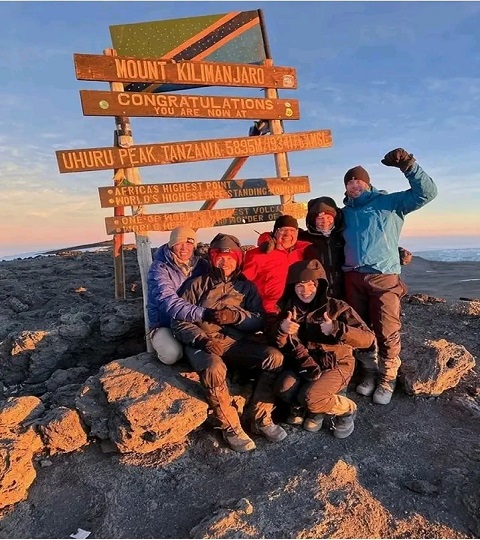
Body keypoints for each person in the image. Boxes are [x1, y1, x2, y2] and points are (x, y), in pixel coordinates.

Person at [171, 233, 287, 453]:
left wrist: (235, 317)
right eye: (220, 257)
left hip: (235, 342)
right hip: (203, 343)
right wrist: (202, 339)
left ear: (238, 259)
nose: (225, 262)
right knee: (214, 368)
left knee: (274, 357)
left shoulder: (247, 288)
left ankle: (260, 417)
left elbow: (259, 319)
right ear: (213, 258)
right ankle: (230, 426)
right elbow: (178, 320)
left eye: (231, 258)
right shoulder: (196, 284)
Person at [342, 148, 438, 405]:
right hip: (353, 277)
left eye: (358, 180)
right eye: (349, 182)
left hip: (383, 276)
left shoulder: (389, 202)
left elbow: (427, 193)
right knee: (360, 329)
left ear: (367, 183)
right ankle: (370, 372)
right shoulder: (345, 213)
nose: (354, 185)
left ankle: (388, 376)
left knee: (387, 329)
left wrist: (408, 165)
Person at [268, 259, 375, 438]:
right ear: (292, 287)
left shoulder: (337, 307)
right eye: (300, 286)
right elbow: (277, 342)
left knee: (313, 397)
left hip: (337, 363)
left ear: (320, 285)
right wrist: (282, 330)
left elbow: (368, 339)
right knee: (282, 388)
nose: (306, 291)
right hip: (306, 362)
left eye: (311, 284)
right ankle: (308, 408)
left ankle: (347, 409)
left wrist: (336, 328)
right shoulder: (288, 310)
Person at [147, 226, 209, 365]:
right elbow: (168, 302)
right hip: (166, 323)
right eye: (179, 243)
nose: (184, 248)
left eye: (188, 243)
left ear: (194, 246)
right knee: (171, 355)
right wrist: (205, 314)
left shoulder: (203, 265)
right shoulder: (159, 268)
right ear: (171, 245)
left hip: (194, 323)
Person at [242, 215, 311, 313]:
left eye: (292, 231)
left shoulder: (305, 250)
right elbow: (243, 283)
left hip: (299, 309)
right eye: (283, 230)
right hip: (269, 311)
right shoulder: (257, 255)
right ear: (275, 232)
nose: (287, 234)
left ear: (297, 233)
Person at [298, 196, 346, 299]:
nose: (325, 221)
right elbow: (283, 240)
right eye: (320, 218)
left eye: (329, 217)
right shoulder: (303, 238)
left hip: (344, 291)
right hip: (317, 292)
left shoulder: (342, 236)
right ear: (313, 220)